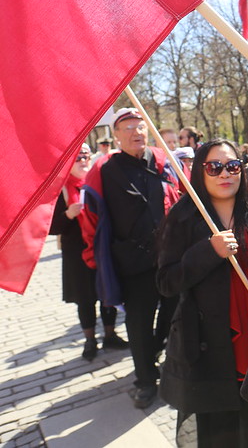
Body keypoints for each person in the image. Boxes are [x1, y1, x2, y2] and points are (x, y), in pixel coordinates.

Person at [157, 139, 248, 448]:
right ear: (200, 172)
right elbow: (166, 282)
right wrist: (207, 251)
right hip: (207, 353)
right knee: (217, 438)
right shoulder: (183, 217)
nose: (224, 174)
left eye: (232, 166)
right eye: (214, 167)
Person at [81, 108, 181, 409]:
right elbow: (91, 217)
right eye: (128, 128)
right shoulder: (103, 169)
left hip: (170, 258)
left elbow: (184, 199)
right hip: (132, 263)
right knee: (138, 324)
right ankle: (146, 381)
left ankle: (154, 352)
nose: (137, 132)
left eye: (141, 127)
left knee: (174, 313)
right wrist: (93, 255)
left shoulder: (163, 162)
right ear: (116, 135)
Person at [49, 143, 127, 361]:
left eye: (85, 157)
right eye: (78, 158)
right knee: (85, 300)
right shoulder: (62, 190)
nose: (83, 161)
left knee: (108, 293)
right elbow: (52, 227)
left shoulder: (97, 182)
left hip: (102, 249)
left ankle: (110, 335)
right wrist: (69, 215)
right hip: (77, 256)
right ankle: (90, 340)